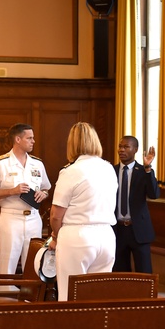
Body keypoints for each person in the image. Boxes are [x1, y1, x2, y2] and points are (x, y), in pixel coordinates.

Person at [49, 122, 118, 301]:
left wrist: (56, 237)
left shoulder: (71, 171)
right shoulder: (109, 168)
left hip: (77, 235)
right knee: (99, 295)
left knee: (70, 295)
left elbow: (56, 214)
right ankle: (95, 328)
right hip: (106, 235)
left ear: (72, 143)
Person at [0, 123, 51, 274]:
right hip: (11, 218)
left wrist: (43, 194)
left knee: (33, 264)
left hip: (33, 218)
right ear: (18, 139)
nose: (33, 141)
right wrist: (12, 191)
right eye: (29, 138)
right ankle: (4, 296)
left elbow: (46, 187)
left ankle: (29, 297)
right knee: (8, 265)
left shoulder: (37, 163)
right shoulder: (1, 163)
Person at [112, 136, 160, 273]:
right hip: (117, 230)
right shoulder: (111, 171)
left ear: (135, 150)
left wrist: (148, 168)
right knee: (120, 273)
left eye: (126, 147)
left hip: (138, 230)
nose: (121, 150)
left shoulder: (144, 171)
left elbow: (154, 194)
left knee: (144, 273)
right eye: (120, 146)